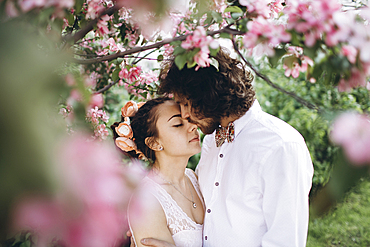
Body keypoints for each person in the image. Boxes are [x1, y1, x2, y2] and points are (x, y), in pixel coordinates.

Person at [139, 48, 314, 246]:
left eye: (186, 104)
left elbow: (285, 241)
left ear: (208, 95)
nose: (185, 115)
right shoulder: (211, 142)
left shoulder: (280, 146)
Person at [111, 97, 205, 247]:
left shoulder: (193, 177)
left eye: (189, 119)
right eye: (178, 124)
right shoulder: (147, 201)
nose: (193, 126)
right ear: (154, 143)